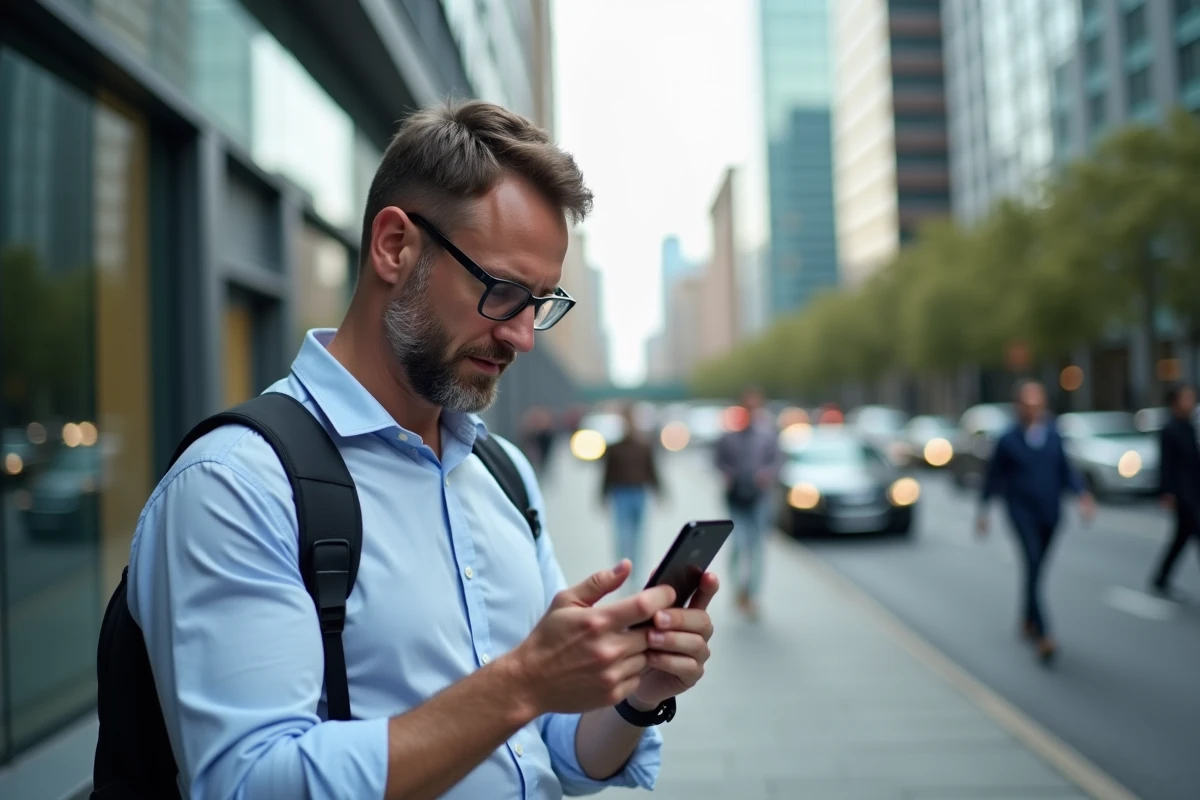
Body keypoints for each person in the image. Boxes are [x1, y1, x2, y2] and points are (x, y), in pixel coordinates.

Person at [127, 99, 718, 799]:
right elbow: (248, 782)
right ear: (394, 246)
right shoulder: (234, 485)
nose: (523, 336)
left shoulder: (503, 473)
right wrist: (523, 681)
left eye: (541, 302)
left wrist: (633, 693)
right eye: (502, 291)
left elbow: (552, 752)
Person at [977, 379, 1095, 663]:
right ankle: (1044, 634)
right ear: (1019, 406)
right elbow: (994, 477)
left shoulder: (1053, 434)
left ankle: (1027, 617)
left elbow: (1066, 470)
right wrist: (983, 511)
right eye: (1027, 404)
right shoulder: (1008, 439)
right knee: (1031, 563)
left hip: (1050, 513)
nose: (1032, 409)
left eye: (1037, 403)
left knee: (1036, 569)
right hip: (1021, 511)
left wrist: (1083, 496)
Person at [715, 387, 783, 619]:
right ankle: (738, 590)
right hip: (736, 498)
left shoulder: (768, 435)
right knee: (738, 545)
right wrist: (728, 474)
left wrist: (766, 474)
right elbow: (718, 461)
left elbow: (777, 461)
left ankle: (751, 594)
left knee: (756, 548)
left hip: (759, 498)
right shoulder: (729, 435)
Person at [600, 403, 662, 590]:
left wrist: (659, 491)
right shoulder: (614, 448)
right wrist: (602, 495)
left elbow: (652, 470)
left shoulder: (644, 445)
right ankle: (625, 573)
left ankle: (636, 574)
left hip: (639, 493)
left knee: (639, 537)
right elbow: (607, 473)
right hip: (621, 494)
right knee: (624, 536)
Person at [1149, 384, 1200, 598]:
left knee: (1181, 538)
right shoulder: (1169, 429)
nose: (1191, 401)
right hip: (1182, 493)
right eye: (1186, 398)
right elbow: (1166, 464)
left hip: (1195, 490)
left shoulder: (1190, 426)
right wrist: (1167, 492)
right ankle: (1160, 578)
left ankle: (1160, 577)